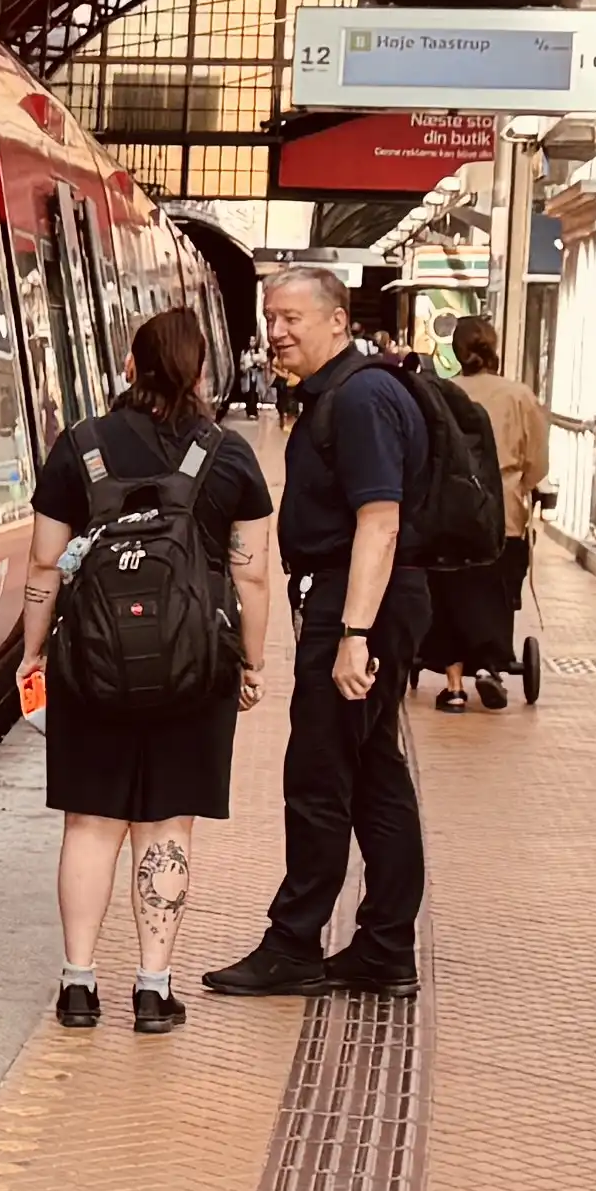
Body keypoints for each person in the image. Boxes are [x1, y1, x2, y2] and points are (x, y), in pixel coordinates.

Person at [10, 304, 278, 1034]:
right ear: (199, 371)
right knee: (168, 825)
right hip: (194, 670)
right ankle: (153, 991)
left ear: (131, 365)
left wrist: (35, 654)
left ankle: (77, 985)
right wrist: (250, 664)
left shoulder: (79, 449)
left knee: (90, 824)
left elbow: (45, 565)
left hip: (91, 668)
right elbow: (251, 579)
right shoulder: (229, 457)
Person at [202, 264, 433, 1001]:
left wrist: (353, 634)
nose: (277, 332)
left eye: (293, 318)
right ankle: (386, 946)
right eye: (271, 318)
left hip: (359, 601)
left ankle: (296, 943)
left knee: (319, 775)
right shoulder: (344, 393)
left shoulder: (361, 399)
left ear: (337, 321)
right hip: (359, 599)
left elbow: (380, 521)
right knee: (374, 775)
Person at [431, 315, 549, 711]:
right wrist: (520, 484)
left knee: (448, 594)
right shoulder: (519, 396)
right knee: (498, 593)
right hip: (504, 514)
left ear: (455, 352)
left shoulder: (443, 394)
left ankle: (454, 686)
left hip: (450, 513)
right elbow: (538, 462)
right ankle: (491, 667)